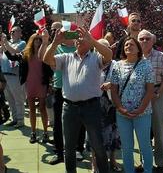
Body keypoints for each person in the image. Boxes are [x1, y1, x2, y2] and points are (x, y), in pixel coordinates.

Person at [43, 27, 112, 173]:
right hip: (69, 108)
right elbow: (46, 59)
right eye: (77, 38)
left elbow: (109, 55)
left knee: (98, 145)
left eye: (83, 38)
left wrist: (92, 40)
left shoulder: (96, 57)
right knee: (68, 147)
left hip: (91, 107)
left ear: (89, 42)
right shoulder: (66, 58)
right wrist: (55, 42)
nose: (79, 40)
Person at [105, 37, 155, 173]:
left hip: (142, 113)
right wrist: (121, 109)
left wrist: (141, 109)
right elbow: (114, 90)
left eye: (132, 44)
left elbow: (150, 90)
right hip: (123, 114)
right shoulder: (117, 66)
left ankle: (148, 170)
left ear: (138, 48)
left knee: (145, 145)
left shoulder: (146, 65)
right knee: (127, 147)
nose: (128, 46)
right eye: (126, 45)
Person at [2, 33, 53, 143]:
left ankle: (45, 133)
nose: (38, 42)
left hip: (42, 84)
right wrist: (4, 44)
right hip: (29, 84)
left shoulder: (44, 53)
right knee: (31, 109)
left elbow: (50, 70)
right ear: (32, 41)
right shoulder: (25, 54)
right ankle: (33, 133)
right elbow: (12, 57)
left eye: (39, 40)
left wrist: (50, 83)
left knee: (43, 109)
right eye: (36, 40)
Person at [138, 29, 163, 171]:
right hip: (140, 96)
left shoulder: (160, 56)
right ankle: (145, 162)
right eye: (142, 39)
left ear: (153, 41)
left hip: (158, 94)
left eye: (147, 38)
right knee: (142, 132)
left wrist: (158, 93)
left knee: (159, 131)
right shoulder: (134, 57)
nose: (144, 41)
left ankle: (161, 164)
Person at [91, 38, 121, 173]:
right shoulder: (91, 64)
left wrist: (111, 85)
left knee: (114, 133)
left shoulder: (116, 65)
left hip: (112, 104)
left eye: (105, 48)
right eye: (98, 49)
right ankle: (94, 163)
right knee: (94, 134)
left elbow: (121, 81)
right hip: (95, 104)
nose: (101, 52)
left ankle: (112, 160)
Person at [0, 26, 26, 128]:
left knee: (18, 99)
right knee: (9, 99)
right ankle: (14, 119)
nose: (11, 32)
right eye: (11, 31)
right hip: (5, 74)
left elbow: (13, 52)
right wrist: (3, 43)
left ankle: (20, 120)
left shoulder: (22, 43)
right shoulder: (8, 42)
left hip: (15, 75)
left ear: (20, 33)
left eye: (14, 31)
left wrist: (5, 42)